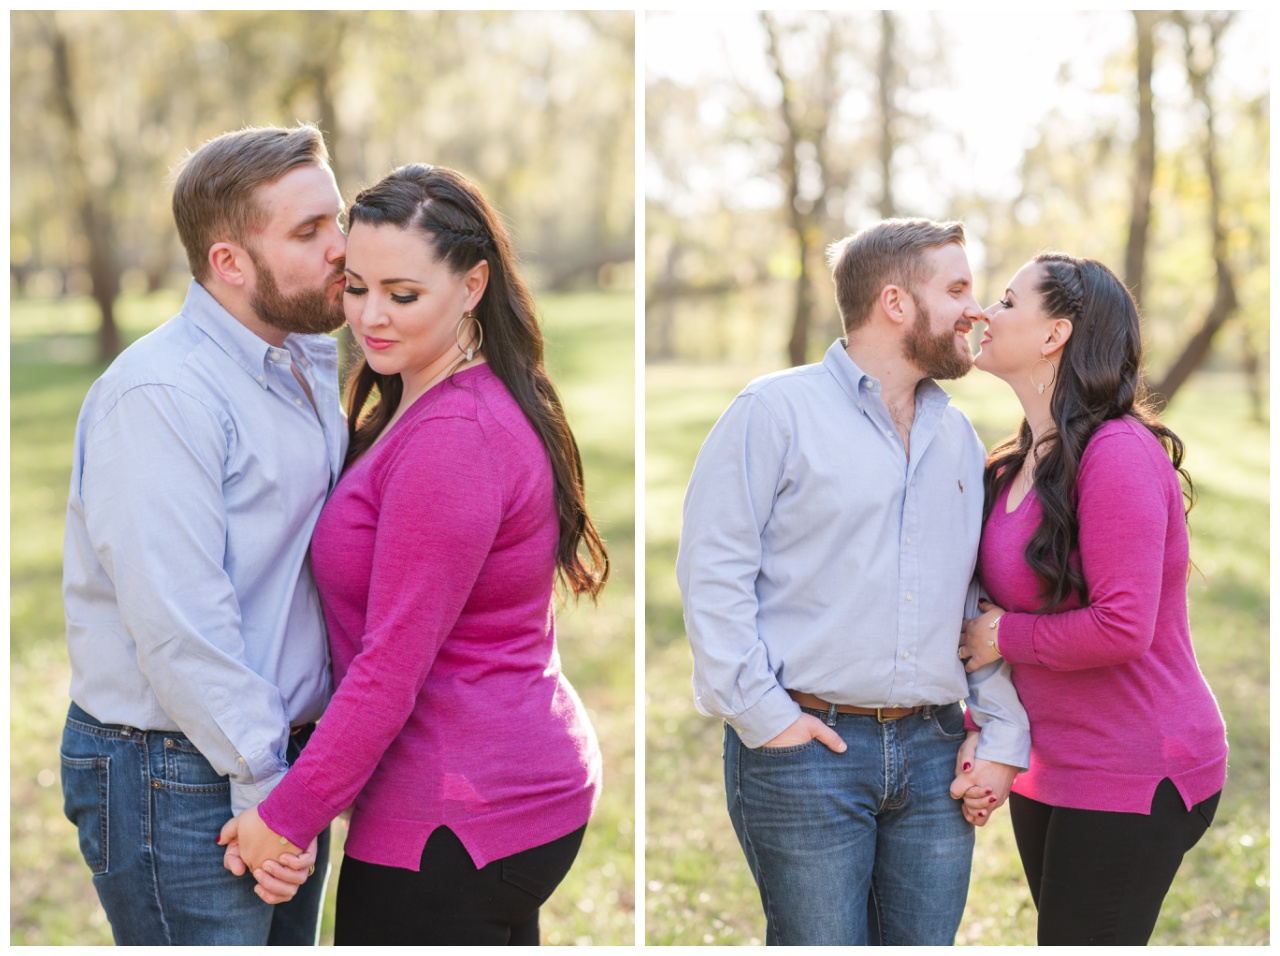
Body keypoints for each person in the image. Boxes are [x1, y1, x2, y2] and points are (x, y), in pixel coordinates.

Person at [217, 163, 607, 946]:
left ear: (472, 286)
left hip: (462, 809)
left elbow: (389, 667)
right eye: (355, 287)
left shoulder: (454, 440)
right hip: (495, 785)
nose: (371, 317)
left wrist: (286, 819)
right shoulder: (431, 396)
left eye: (403, 294)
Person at [676, 218, 1032, 946]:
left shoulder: (956, 437)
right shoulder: (773, 413)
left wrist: (1002, 727)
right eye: (958, 288)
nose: (976, 309)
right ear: (896, 304)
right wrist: (765, 718)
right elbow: (712, 573)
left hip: (936, 752)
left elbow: (969, 597)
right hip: (809, 750)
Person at [59, 124, 349, 944]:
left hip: (275, 759)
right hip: (176, 772)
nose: (342, 248)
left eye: (337, 218)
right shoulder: (161, 396)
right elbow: (181, 623)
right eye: (308, 232)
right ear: (229, 263)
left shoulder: (298, 362)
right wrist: (265, 785)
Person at [959, 252, 1228, 945]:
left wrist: (1003, 636)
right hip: (1052, 767)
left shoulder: (1118, 453)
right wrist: (982, 733)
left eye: (1008, 301)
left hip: (1137, 765)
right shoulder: (1014, 461)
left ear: (1055, 334)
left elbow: (1122, 626)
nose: (987, 312)